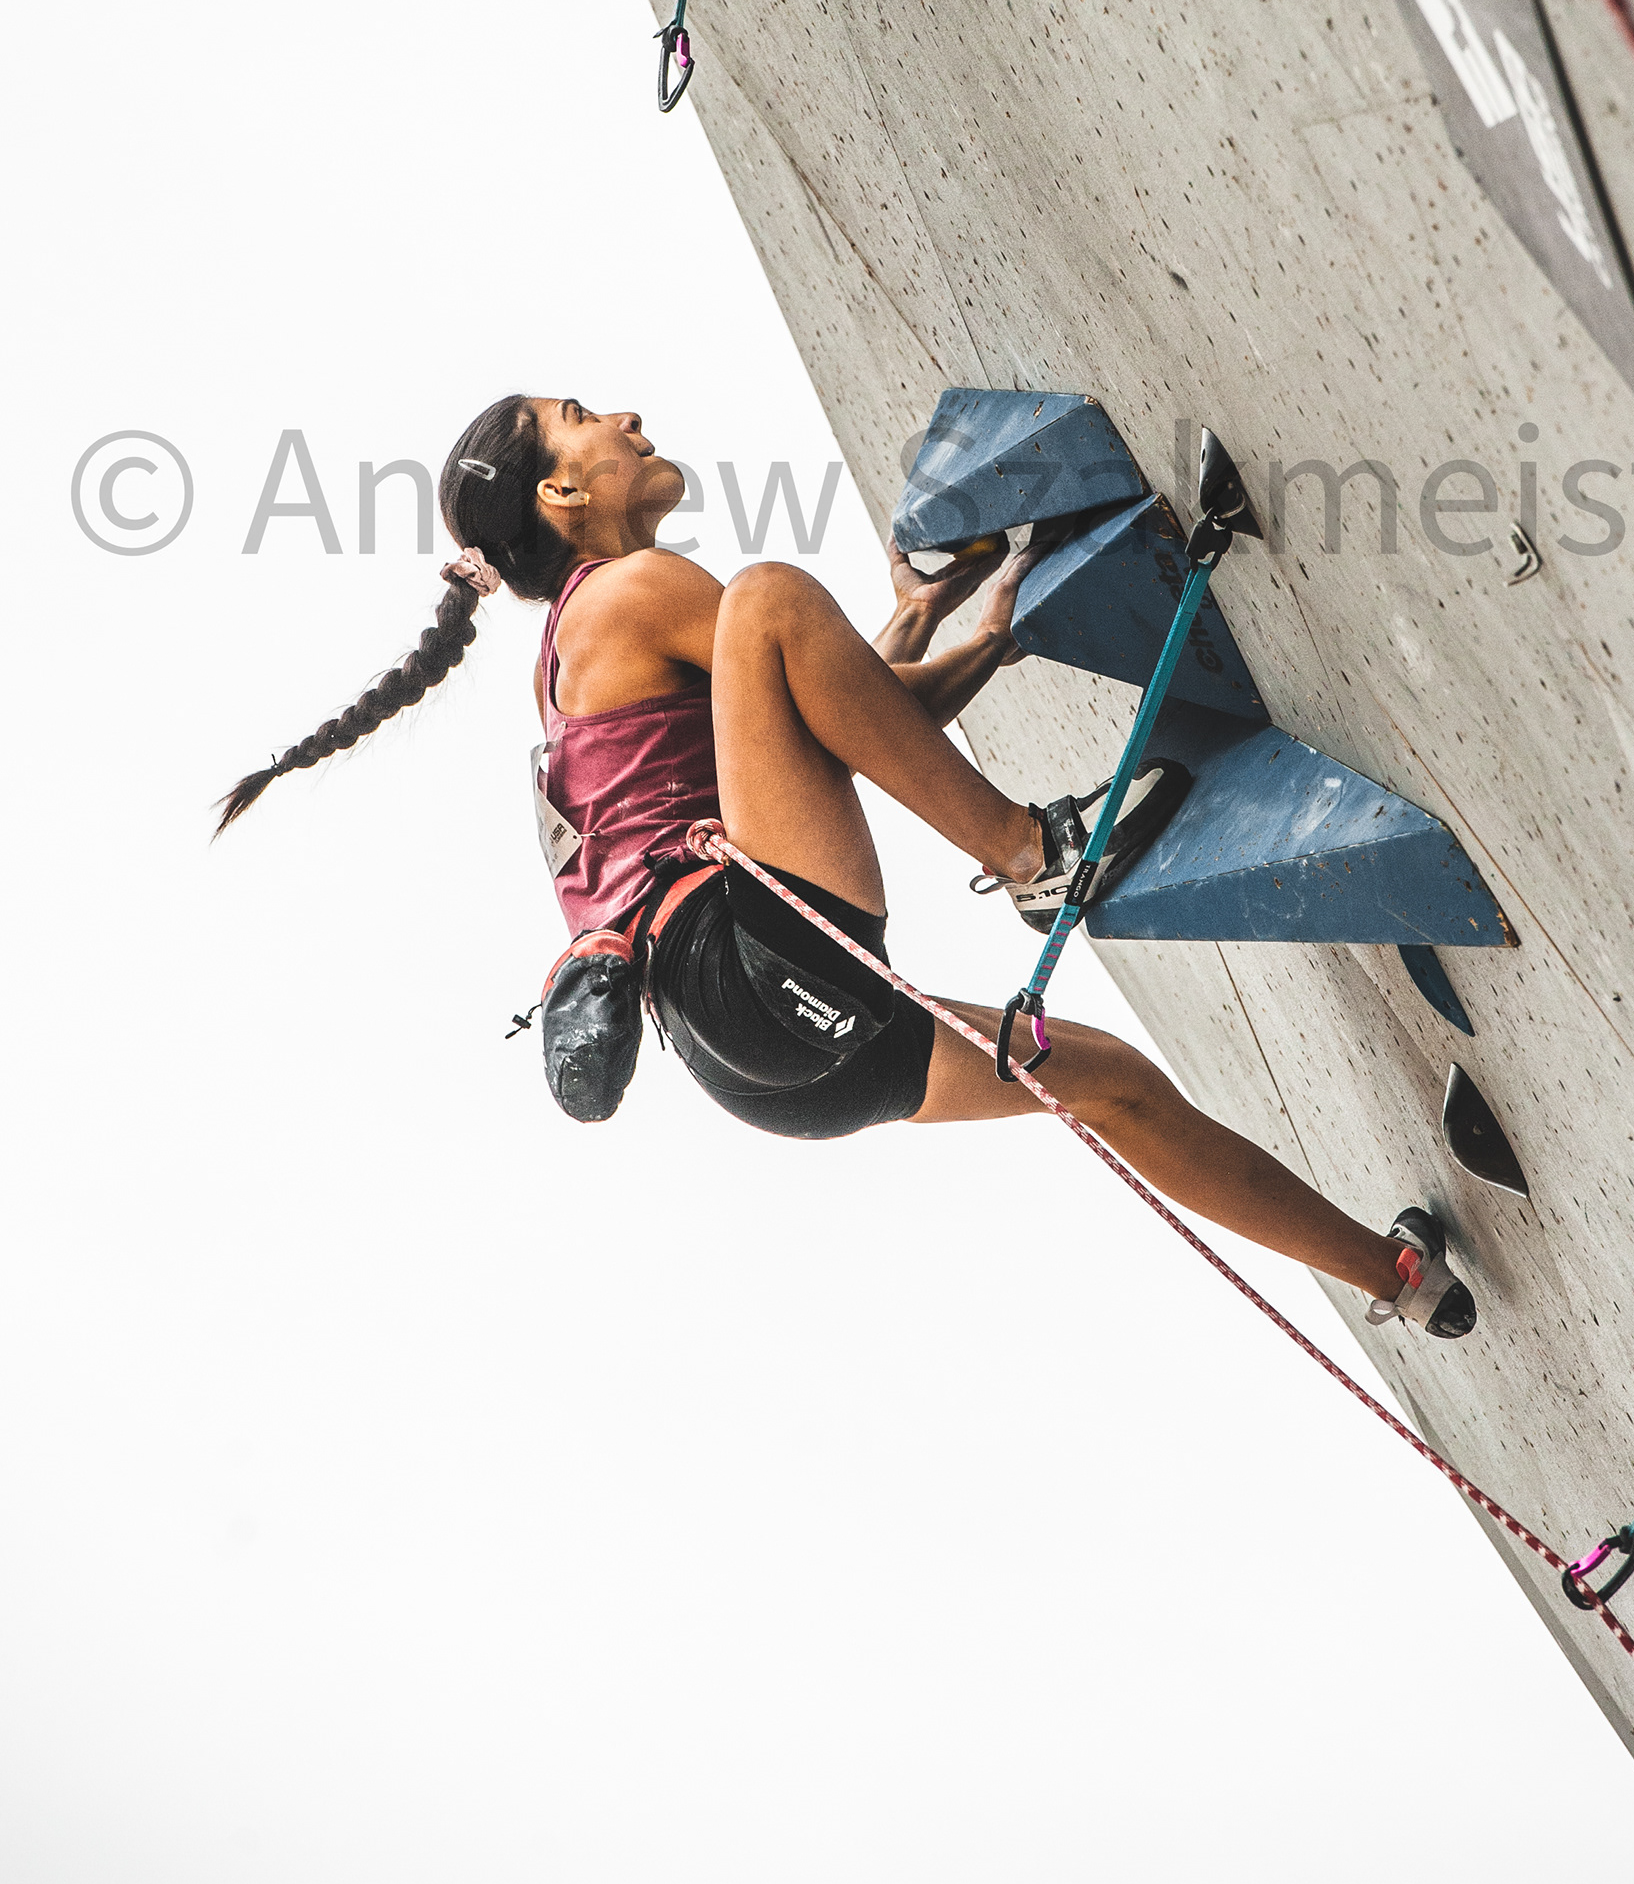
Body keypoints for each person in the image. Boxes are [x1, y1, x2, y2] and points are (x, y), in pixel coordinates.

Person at [218, 393, 1475, 1337]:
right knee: (769, 590)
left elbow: (854, 714)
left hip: (771, 1062)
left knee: (1111, 1083)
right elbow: (807, 663)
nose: (623, 415)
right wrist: (956, 676)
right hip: (742, 962)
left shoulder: (577, 670)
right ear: (563, 497)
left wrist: (955, 627)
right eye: (580, 418)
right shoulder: (617, 596)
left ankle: (1399, 1280)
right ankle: (1039, 855)